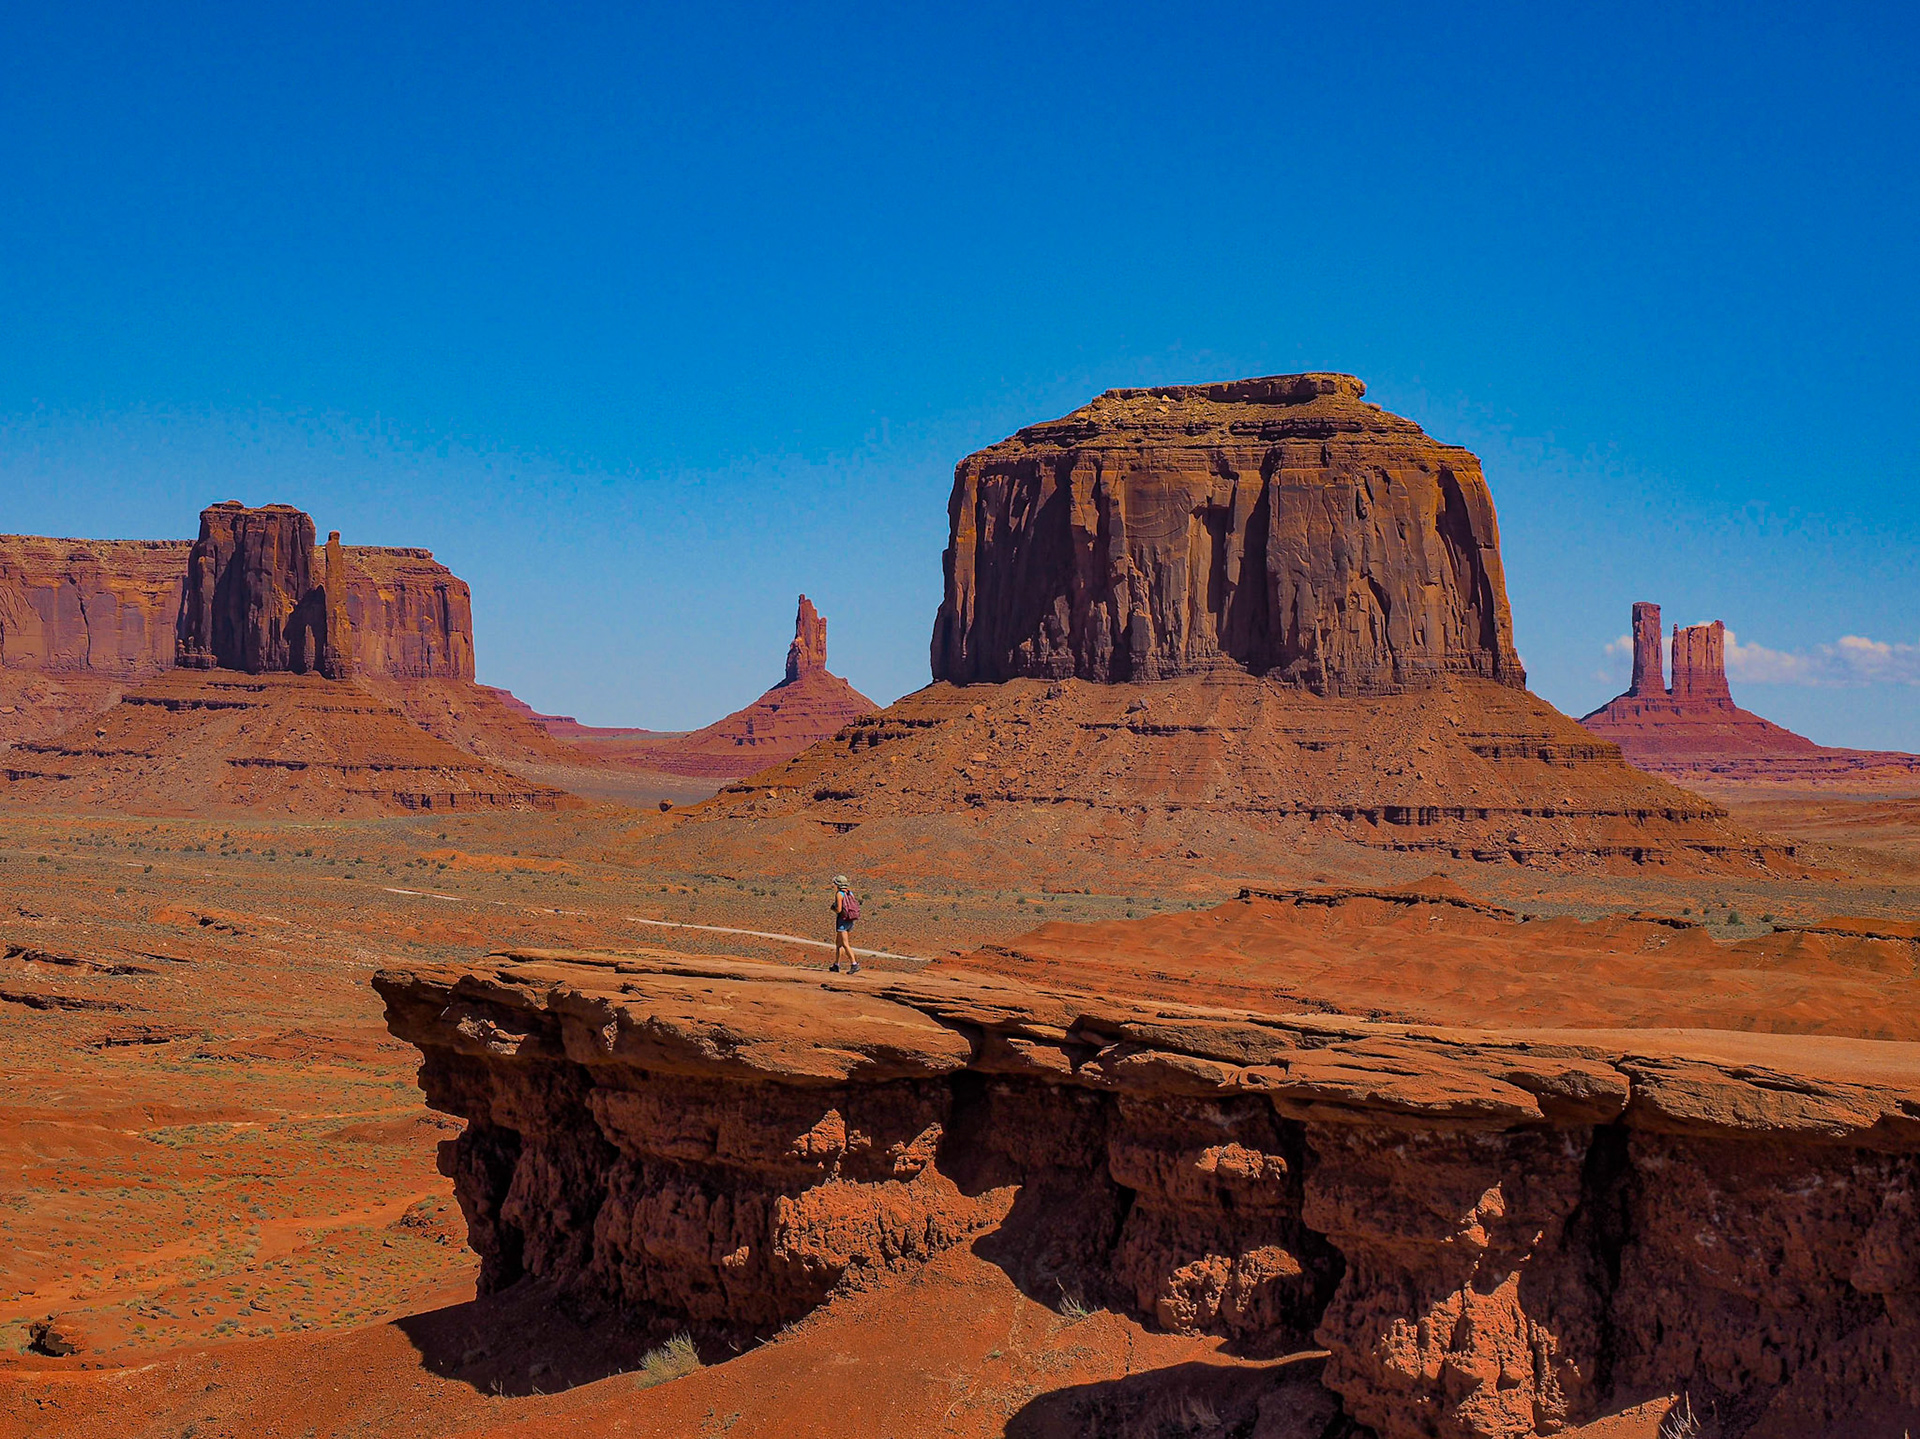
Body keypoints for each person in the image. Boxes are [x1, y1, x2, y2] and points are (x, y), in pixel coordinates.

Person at [829, 874, 861, 973]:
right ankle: (836, 965)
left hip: (842, 920)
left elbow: (839, 910)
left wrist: (832, 908)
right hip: (850, 920)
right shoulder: (850, 893)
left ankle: (854, 964)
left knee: (845, 944)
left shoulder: (839, 894)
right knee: (838, 944)